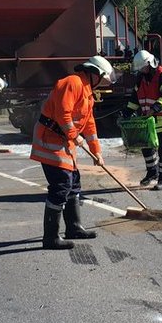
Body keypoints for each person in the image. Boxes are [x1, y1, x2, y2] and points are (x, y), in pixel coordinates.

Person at [29, 55, 112, 250]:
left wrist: (97, 152)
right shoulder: (72, 83)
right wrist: (75, 135)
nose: (101, 83)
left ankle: (73, 228)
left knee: (73, 182)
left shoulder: (87, 92)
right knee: (61, 185)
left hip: (64, 142)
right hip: (49, 141)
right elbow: (62, 114)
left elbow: (90, 125)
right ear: (95, 74)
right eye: (102, 78)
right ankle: (50, 238)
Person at [125, 49, 162, 190]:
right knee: (146, 148)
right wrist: (127, 112)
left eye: (142, 68)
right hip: (148, 121)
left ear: (149, 64)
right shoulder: (141, 77)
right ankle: (152, 173)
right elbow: (135, 98)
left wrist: (154, 109)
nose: (141, 71)